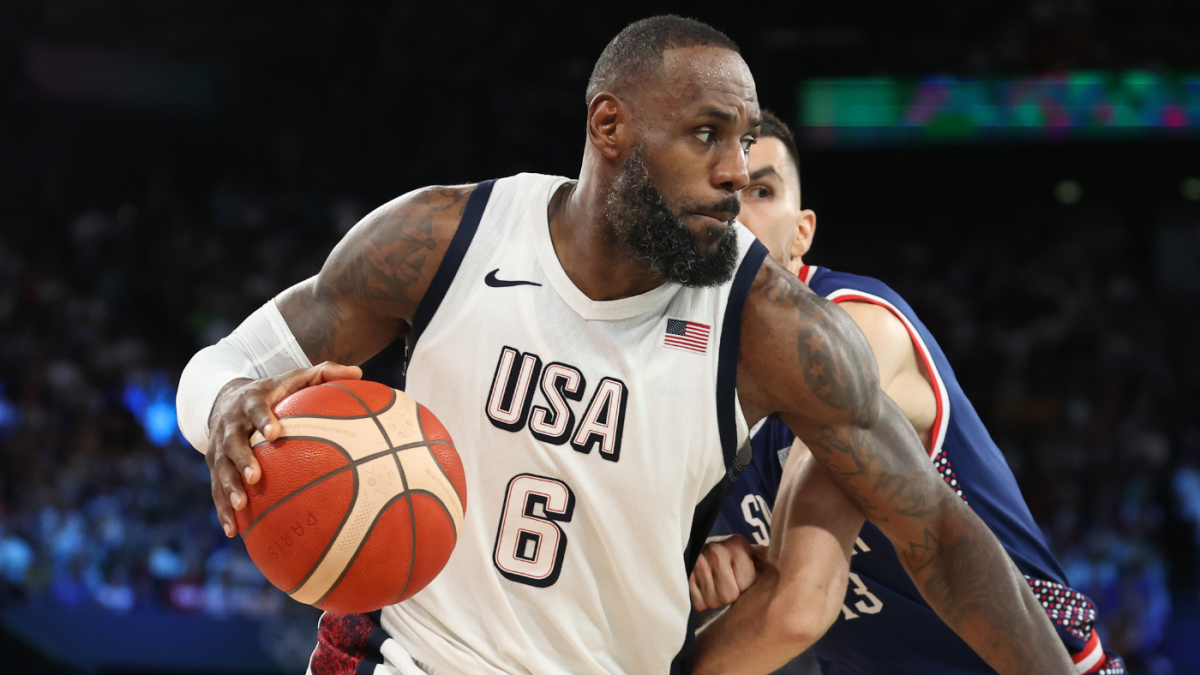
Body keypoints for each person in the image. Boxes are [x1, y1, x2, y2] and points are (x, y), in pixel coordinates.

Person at [177, 17, 1077, 675]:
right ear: (610, 127)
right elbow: (226, 366)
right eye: (706, 135)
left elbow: (942, 536)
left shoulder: (769, 322)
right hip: (410, 655)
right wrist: (226, 410)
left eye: (747, 143)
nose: (734, 170)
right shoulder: (444, 236)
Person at [688, 111, 1126, 675]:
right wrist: (701, 559)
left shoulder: (857, 329)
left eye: (763, 190)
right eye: (723, 188)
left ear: (802, 233)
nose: (738, 210)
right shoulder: (684, 373)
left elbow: (798, 603)